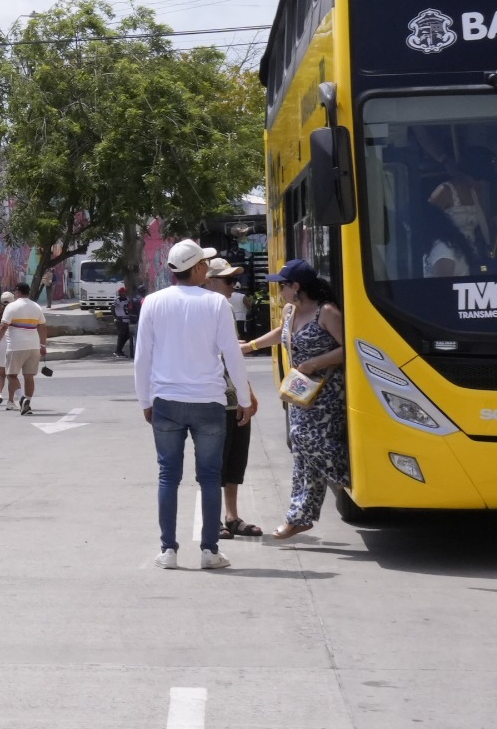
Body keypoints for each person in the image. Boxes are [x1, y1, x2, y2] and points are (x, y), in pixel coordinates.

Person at [132, 240, 255, 570]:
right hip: (209, 402)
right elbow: (232, 355)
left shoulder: (152, 303)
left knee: (168, 477)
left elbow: (142, 357)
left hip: (166, 402)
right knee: (210, 477)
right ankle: (209, 552)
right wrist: (244, 400)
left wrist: (145, 400)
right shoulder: (216, 304)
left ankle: (168, 551)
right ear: (199, 269)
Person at [262, 259, 347, 542]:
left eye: (283, 286)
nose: (280, 291)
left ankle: (352, 474)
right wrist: (250, 345)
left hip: (326, 392)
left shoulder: (327, 313)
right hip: (301, 391)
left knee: (308, 441)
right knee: (301, 453)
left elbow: (349, 349)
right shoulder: (290, 310)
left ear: (296, 287)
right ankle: (299, 517)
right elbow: (281, 334)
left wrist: (314, 363)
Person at [202, 255, 263, 539]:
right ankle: (213, 519)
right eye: (228, 280)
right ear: (210, 281)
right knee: (215, 461)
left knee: (235, 459)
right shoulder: (208, 308)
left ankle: (231, 516)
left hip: (232, 394)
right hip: (214, 396)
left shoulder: (225, 307)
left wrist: (246, 391)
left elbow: (233, 356)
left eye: (234, 279)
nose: (233, 284)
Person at [0, 281, 50, 415]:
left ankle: (21, 398)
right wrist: (43, 345)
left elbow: (3, 326)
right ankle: (27, 403)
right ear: (28, 292)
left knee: (11, 375)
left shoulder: (12, 307)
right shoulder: (36, 306)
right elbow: (42, 327)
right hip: (34, 346)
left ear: (17, 292)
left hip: (16, 346)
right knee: (29, 376)